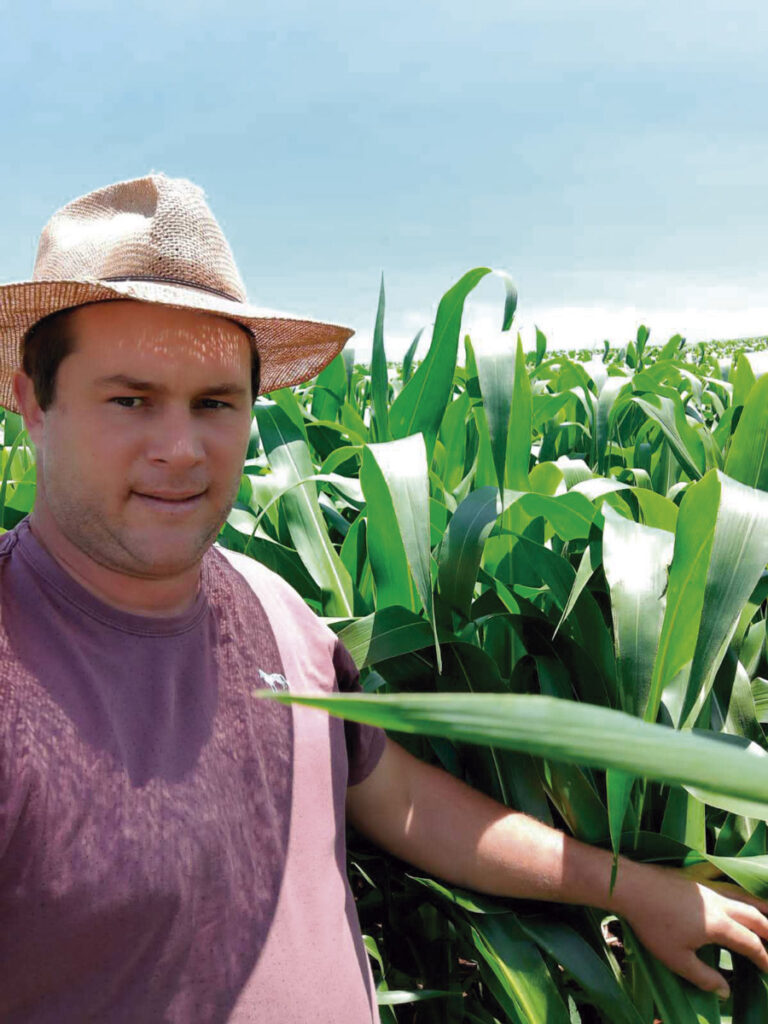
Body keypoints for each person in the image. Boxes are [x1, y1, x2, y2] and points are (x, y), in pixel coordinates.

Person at [0, 173, 765, 1023]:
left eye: (215, 403)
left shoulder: (276, 609)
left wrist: (627, 886)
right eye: (130, 400)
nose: (181, 449)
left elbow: (398, 798)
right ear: (34, 402)